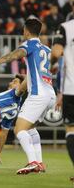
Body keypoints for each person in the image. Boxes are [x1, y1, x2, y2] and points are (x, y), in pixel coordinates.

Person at [0, 18, 55, 174]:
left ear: (27, 31)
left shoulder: (29, 44)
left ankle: (33, 162)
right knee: (31, 128)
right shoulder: (47, 50)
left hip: (38, 94)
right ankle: (40, 163)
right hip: (50, 93)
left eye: (23, 30)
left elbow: (17, 54)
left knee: (19, 129)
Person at [50, 18, 74, 181]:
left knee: (71, 130)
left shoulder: (66, 27)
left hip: (72, 89)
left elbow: (56, 53)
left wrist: (52, 62)